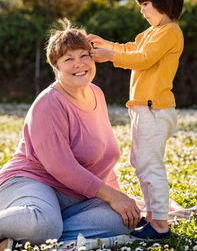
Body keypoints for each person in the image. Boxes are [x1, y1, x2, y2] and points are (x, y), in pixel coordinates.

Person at [0, 18, 141, 250]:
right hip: (31, 183)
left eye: (84, 55)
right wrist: (112, 197)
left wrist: (119, 197)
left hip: (74, 196)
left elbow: (104, 158)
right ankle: (39, 227)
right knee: (43, 223)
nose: (79, 64)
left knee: (122, 220)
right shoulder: (48, 103)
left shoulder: (96, 94)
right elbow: (61, 167)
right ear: (56, 66)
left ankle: (23, 239)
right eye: (68, 59)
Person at [88, 0, 184, 239]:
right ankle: (153, 216)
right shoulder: (153, 32)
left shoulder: (170, 32)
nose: (142, 11)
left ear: (163, 1)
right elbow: (132, 48)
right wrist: (108, 45)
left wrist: (110, 57)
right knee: (140, 162)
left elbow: (142, 58)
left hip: (155, 111)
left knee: (150, 164)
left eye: (145, 4)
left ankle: (161, 224)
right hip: (143, 109)